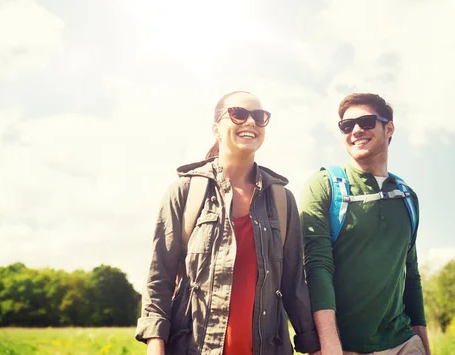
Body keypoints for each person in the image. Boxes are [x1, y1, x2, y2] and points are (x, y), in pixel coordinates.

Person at [135, 91, 321, 355]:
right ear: (216, 129)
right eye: (238, 114)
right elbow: (159, 276)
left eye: (259, 117)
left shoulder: (282, 199)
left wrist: (312, 346)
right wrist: (155, 345)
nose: (250, 122)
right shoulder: (186, 191)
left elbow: (294, 284)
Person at [300, 93, 431, 355]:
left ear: (389, 127)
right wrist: (330, 346)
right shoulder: (324, 185)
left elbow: (411, 276)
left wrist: (425, 347)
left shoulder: (407, 196)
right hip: (344, 347)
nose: (356, 130)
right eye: (347, 126)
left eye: (367, 122)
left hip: (405, 343)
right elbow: (317, 267)